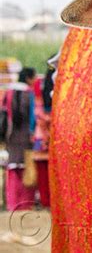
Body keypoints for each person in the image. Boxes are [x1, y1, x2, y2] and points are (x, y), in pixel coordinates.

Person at [4, 67, 37, 210]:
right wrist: (32, 133)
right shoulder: (29, 94)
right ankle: (25, 202)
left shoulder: (8, 93)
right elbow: (32, 117)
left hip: (11, 136)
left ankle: (12, 202)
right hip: (25, 138)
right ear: (29, 78)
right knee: (26, 169)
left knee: (12, 170)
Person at [32, 60, 54, 208]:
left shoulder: (39, 86)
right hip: (56, 133)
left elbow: (36, 114)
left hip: (41, 135)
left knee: (42, 171)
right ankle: (53, 201)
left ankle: (45, 200)